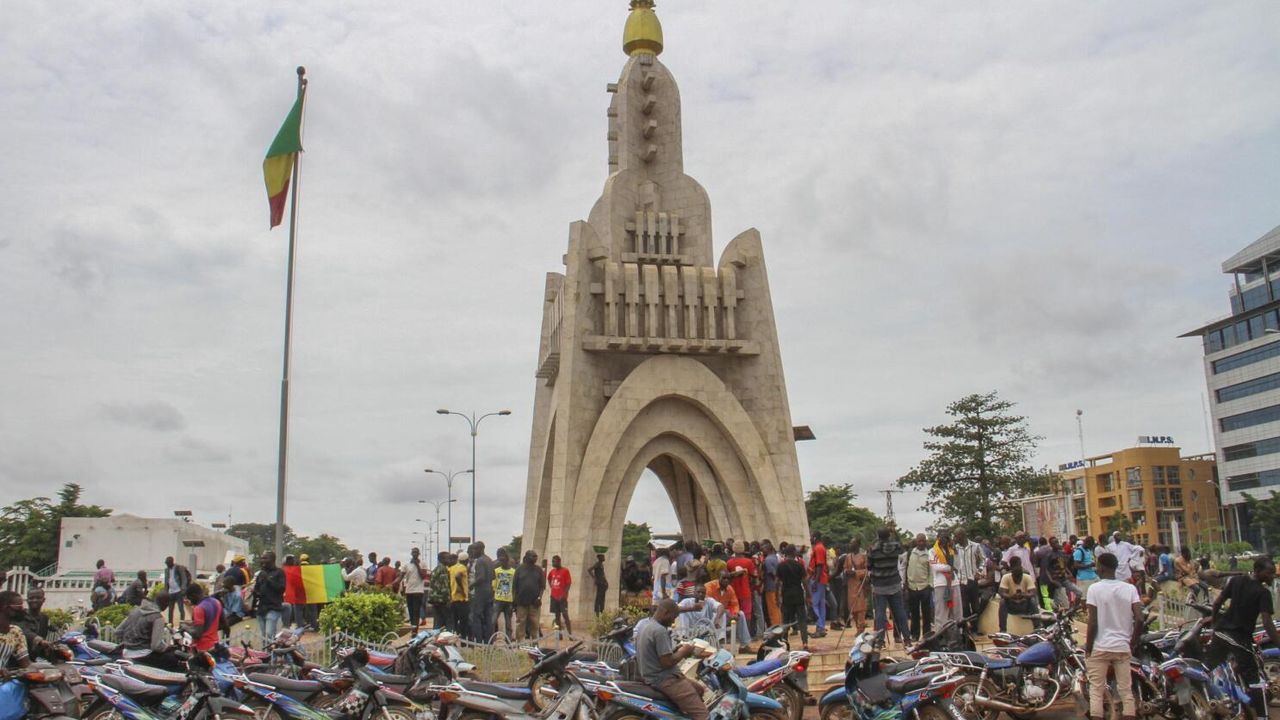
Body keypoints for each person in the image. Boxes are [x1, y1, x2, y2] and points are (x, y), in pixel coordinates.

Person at [1205, 557, 1280, 717]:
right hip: (1238, 638)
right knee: (1255, 682)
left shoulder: (1236, 580)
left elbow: (1217, 602)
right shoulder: (1263, 593)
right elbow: (1267, 622)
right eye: (1269, 573)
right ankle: (1263, 716)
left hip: (1220, 633)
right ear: (1258, 571)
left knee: (1208, 669)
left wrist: (1214, 624)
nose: (1272, 576)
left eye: (1274, 573)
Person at [1085, 552, 1142, 720]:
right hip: (1122, 647)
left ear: (1101, 568)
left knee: (1096, 690)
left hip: (1100, 647)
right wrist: (1132, 642)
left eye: (1097, 565)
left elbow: (1092, 623)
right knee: (1125, 690)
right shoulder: (1130, 588)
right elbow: (1139, 619)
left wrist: (1088, 648)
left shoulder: (1094, 589)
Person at [636, 599, 708, 720]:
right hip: (665, 679)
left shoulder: (645, 626)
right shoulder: (659, 631)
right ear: (665, 613)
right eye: (673, 617)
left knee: (699, 689)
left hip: (651, 676)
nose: (673, 621)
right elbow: (667, 662)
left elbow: (659, 654)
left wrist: (677, 650)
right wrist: (684, 651)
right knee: (703, 715)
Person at [868, 527, 910, 645]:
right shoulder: (895, 546)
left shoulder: (873, 549)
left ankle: (880, 640)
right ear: (889, 535)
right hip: (894, 583)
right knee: (900, 612)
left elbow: (869, 566)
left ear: (878, 536)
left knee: (880, 614)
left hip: (879, 585)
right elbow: (902, 548)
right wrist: (895, 533)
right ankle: (907, 638)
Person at [118, 594, 181, 670]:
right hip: (144, 655)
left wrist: (129, 642)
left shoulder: (135, 611)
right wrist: (168, 648)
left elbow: (118, 631)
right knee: (174, 660)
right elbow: (156, 646)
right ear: (165, 604)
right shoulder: (157, 617)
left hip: (126, 652)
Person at [776, 545, 809, 649]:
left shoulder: (781, 566)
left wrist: (777, 597)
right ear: (794, 553)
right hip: (798, 594)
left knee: (786, 620)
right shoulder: (799, 565)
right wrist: (808, 595)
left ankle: (784, 643)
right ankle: (805, 642)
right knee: (802, 620)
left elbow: (777, 582)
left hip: (786, 595)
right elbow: (804, 581)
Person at [705, 571, 750, 647]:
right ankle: (719, 643)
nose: (726, 580)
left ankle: (744, 645)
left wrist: (735, 613)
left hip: (724, 613)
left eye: (728, 579)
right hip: (710, 615)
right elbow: (707, 604)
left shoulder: (730, 589)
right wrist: (723, 611)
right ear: (719, 578)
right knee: (722, 614)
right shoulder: (709, 586)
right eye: (724, 578)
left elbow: (735, 604)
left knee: (741, 614)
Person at [929, 530, 962, 630]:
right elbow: (936, 566)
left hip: (954, 582)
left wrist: (955, 551)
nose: (944, 539)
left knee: (957, 611)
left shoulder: (952, 550)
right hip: (941, 583)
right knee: (941, 612)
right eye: (941, 537)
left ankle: (958, 632)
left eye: (946, 537)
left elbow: (958, 565)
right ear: (937, 538)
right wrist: (950, 568)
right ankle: (941, 634)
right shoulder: (932, 551)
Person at [952, 529, 984, 631]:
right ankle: (967, 629)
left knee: (975, 606)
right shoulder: (955, 548)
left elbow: (983, 559)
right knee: (964, 607)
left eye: (957, 536)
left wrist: (979, 571)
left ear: (963, 535)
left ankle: (975, 627)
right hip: (961, 581)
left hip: (972, 579)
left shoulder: (975, 546)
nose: (955, 538)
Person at [903, 534, 932, 641]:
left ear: (926, 542)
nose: (921, 543)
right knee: (914, 613)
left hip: (925, 587)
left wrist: (930, 585)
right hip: (912, 587)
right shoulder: (910, 553)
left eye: (923, 541)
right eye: (919, 541)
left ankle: (927, 635)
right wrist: (905, 583)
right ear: (916, 541)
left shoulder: (929, 554)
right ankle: (915, 635)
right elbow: (905, 567)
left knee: (926, 613)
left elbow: (931, 571)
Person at [252, 552, 286, 643]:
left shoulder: (279, 572)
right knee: (264, 636)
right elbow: (257, 589)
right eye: (262, 558)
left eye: (265, 558)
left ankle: (272, 651)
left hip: (273, 607)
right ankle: (266, 651)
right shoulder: (261, 573)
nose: (262, 560)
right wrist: (255, 592)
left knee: (269, 633)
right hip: (261, 608)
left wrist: (267, 579)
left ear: (272, 560)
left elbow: (281, 589)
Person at [998, 556, 1038, 633]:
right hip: (1012, 605)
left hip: (1024, 604)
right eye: (1016, 577)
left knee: (1032, 601)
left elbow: (1033, 592)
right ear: (1012, 571)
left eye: (1019, 577)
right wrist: (1011, 596)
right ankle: (1002, 630)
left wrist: (1024, 595)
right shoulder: (1006, 577)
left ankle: (1037, 627)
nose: (1018, 579)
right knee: (1002, 602)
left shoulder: (1027, 577)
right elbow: (1001, 592)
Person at [514, 551, 545, 640]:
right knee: (520, 623)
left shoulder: (539, 570)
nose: (535, 558)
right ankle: (520, 643)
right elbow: (514, 586)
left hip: (535, 603)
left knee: (535, 624)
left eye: (536, 556)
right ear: (527, 557)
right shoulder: (519, 570)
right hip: (521, 602)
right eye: (533, 556)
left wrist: (539, 598)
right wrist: (515, 600)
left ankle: (535, 643)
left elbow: (542, 586)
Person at [725, 548, 757, 634]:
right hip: (745, 592)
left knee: (734, 614)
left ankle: (736, 634)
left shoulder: (729, 562)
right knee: (747, 615)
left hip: (733, 593)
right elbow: (754, 576)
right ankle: (746, 634)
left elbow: (726, 576)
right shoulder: (748, 562)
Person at [469, 542, 496, 641]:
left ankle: (479, 641)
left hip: (481, 592)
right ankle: (489, 640)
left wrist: (471, 585)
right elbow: (493, 576)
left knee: (476, 616)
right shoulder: (489, 560)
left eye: (475, 549)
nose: (473, 552)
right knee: (488, 617)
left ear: (480, 549)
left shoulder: (480, 561)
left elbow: (481, 577)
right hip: (489, 591)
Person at [183, 583, 222, 652]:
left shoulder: (199, 608)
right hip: (215, 644)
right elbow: (223, 624)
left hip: (202, 648)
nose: (190, 602)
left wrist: (185, 628)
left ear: (193, 596)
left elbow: (197, 635)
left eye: (190, 599)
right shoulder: (216, 602)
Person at [841, 538, 869, 633]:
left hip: (860, 584)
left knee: (860, 608)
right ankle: (858, 626)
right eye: (850, 543)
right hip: (851, 585)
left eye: (852, 543)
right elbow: (845, 568)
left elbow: (867, 570)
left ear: (858, 544)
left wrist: (856, 573)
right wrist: (847, 572)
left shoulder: (863, 556)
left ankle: (861, 629)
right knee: (853, 608)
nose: (850, 545)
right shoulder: (848, 557)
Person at [807, 533, 830, 638]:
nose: (810, 539)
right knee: (821, 605)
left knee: (815, 604)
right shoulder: (820, 547)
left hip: (818, 579)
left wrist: (815, 581)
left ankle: (820, 627)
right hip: (821, 579)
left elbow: (819, 565)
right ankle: (821, 628)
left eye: (811, 537)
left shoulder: (818, 548)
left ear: (815, 538)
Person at [0, 590, 30, 669]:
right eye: (19, 607)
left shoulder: (15, 632)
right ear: (5, 607)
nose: (22, 610)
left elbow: (26, 663)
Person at [547, 555, 573, 635]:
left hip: (562, 598)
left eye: (554, 561)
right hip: (554, 597)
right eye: (552, 561)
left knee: (565, 615)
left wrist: (564, 594)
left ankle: (570, 634)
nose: (553, 563)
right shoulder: (552, 571)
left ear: (559, 561)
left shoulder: (565, 571)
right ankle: (559, 634)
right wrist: (552, 587)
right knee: (557, 616)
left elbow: (568, 584)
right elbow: (549, 578)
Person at [162, 556, 191, 624]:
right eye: (166, 563)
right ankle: (170, 624)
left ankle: (181, 624)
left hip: (178, 591)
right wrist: (166, 591)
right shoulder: (166, 570)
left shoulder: (179, 568)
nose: (167, 564)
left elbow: (184, 579)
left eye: (168, 563)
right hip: (171, 592)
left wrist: (183, 589)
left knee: (181, 608)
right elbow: (166, 581)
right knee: (170, 609)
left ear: (172, 562)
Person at [494, 548, 516, 638]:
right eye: (500, 560)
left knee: (508, 621)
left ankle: (508, 639)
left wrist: (514, 599)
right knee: (493, 619)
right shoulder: (496, 571)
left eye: (503, 560)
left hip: (509, 599)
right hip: (498, 598)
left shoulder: (513, 572)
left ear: (507, 560)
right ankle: (492, 638)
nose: (501, 562)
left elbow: (514, 586)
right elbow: (494, 584)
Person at [449, 552, 471, 639]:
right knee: (464, 622)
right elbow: (458, 577)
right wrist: (463, 591)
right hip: (462, 599)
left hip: (453, 598)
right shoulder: (463, 568)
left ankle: (453, 640)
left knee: (454, 622)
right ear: (467, 560)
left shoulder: (452, 568)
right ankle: (463, 641)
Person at [428, 552, 452, 630]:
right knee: (447, 621)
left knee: (437, 621)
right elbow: (444, 587)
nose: (449, 560)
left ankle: (435, 635)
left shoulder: (436, 569)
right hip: (442, 599)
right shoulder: (443, 569)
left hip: (434, 598)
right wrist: (448, 600)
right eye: (447, 558)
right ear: (441, 559)